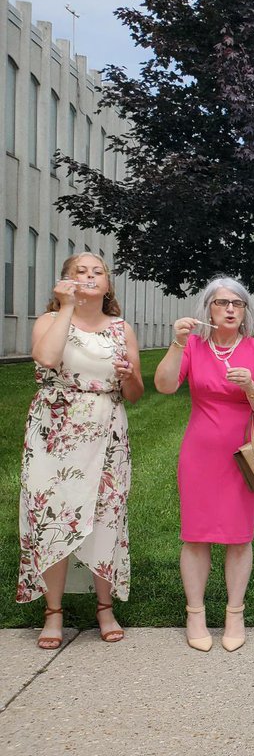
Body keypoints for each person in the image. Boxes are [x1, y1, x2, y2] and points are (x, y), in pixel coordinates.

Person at [18, 253, 144, 648]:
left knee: (106, 515)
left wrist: (129, 376)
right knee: (52, 514)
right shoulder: (50, 321)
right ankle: (52, 613)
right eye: (80, 272)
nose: (90, 276)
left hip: (107, 431)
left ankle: (104, 607)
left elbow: (136, 394)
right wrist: (67, 307)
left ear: (108, 285)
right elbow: (46, 358)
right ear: (65, 282)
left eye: (98, 272)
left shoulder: (122, 329)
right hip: (55, 432)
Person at [154, 278, 254, 653]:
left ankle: (235, 613)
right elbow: (164, 385)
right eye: (221, 302)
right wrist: (177, 342)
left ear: (245, 312)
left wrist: (251, 387)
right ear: (208, 308)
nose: (229, 309)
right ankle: (195, 613)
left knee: (239, 537)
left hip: (244, 457)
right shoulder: (192, 345)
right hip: (200, 455)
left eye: (237, 304)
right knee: (195, 535)